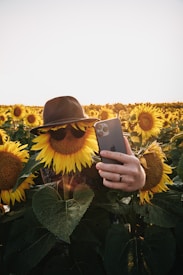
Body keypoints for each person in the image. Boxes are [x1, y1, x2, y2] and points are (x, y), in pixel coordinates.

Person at [31, 95, 146, 191]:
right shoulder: (40, 160)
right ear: (45, 135)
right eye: (58, 133)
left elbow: (122, 184)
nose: (69, 137)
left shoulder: (100, 152)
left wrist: (140, 178)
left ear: (87, 129)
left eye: (78, 130)